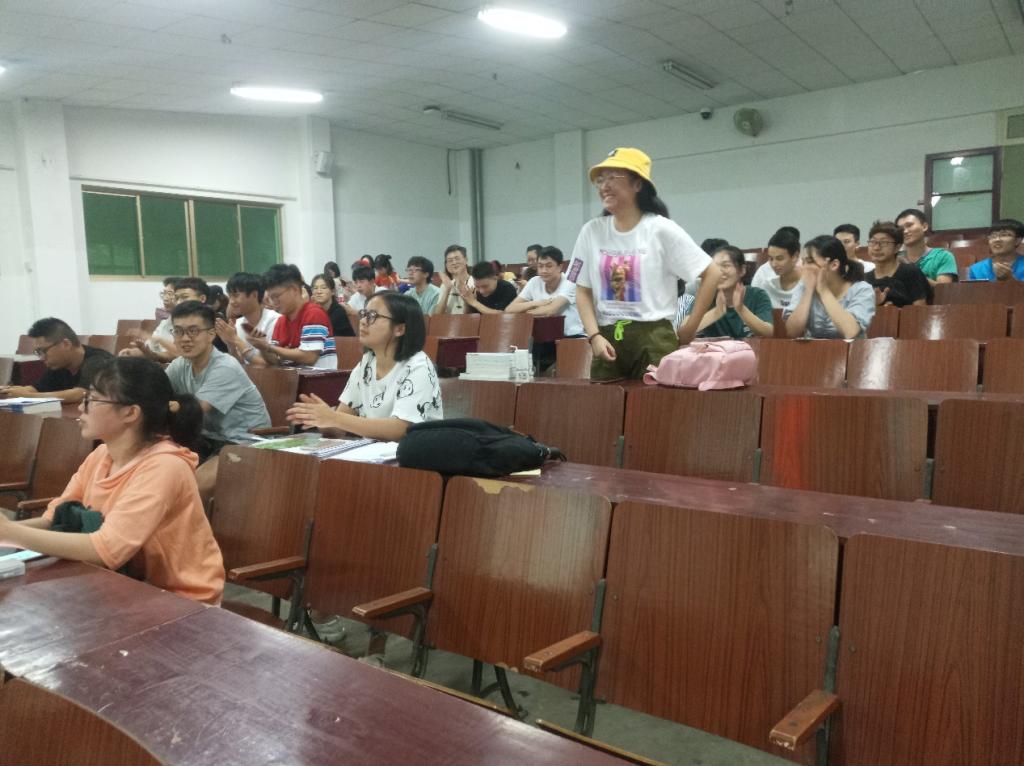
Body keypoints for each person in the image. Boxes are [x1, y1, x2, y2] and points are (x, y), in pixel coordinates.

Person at [0, 356, 225, 605]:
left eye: (92, 400)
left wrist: (11, 532)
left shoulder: (165, 466)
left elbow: (107, 549)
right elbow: (54, 519)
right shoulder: (102, 455)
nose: (81, 407)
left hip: (183, 599)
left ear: (130, 412)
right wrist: (7, 532)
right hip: (124, 585)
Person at [567, 147, 719, 380]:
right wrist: (594, 336)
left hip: (654, 338)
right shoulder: (591, 231)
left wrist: (690, 327)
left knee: (654, 403)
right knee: (604, 402)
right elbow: (582, 290)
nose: (604, 185)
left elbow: (712, 273)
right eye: (600, 180)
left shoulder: (660, 229)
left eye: (612, 177)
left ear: (637, 184)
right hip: (606, 337)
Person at [286, 292, 442, 441]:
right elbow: (338, 429)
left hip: (414, 456)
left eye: (373, 316)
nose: (363, 321)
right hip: (375, 454)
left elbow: (400, 429)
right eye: (363, 314)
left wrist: (334, 418)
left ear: (399, 329)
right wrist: (320, 418)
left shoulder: (418, 366)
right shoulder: (367, 363)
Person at [165, 301, 270, 502]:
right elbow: (156, 392)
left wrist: (160, 405)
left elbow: (195, 409)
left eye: (193, 331)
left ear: (211, 334)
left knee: (196, 485)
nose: (185, 338)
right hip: (206, 440)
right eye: (178, 331)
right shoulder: (179, 365)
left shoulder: (225, 367)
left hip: (245, 442)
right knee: (157, 473)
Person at [507, 246, 584, 370]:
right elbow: (510, 309)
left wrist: (525, 311)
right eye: (540, 266)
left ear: (560, 266)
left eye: (549, 266)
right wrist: (537, 303)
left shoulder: (570, 283)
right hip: (544, 339)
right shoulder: (534, 282)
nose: (544, 270)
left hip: (572, 337)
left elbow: (550, 311)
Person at [1, 318, 112, 402]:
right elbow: (37, 389)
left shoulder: (98, 360)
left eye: (43, 351)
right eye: (38, 353)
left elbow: (81, 394)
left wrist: (29, 397)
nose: (42, 358)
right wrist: (8, 391)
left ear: (65, 344)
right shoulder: (59, 364)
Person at [784, 235, 875, 339]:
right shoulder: (804, 286)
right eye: (803, 262)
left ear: (834, 265)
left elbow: (850, 332)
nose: (804, 268)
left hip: (852, 349)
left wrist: (823, 291)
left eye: (810, 262)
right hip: (813, 349)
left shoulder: (862, 289)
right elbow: (792, 332)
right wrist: (808, 291)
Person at [248, 264, 337, 369]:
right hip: (291, 377)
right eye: (271, 298)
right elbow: (275, 361)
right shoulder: (280, 321)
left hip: (319, 378)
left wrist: (269, 347)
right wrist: (262, 347)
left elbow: (309, 357)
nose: (273, 302)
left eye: (276, 296)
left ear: (294, 289)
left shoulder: (314, 314)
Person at [686, 245, 773, 338]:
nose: (719, 272)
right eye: (714, 267)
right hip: (715, 347)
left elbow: (769, 332)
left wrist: (741, 309)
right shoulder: (705, 295)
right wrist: (716, 312)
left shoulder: (757, 295)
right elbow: (684, 330)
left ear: (742, 270)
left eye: (725, 265)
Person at [215, 272, 280, 366]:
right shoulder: (238, 323)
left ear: (254, 295)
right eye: (230, 296)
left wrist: (235, 339)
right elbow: (239, 364)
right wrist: (230, 344)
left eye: (236, 295)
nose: (231, 302)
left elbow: (270, 365)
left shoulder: (275, 321)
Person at [864, 220, 930, 306]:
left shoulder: (911, 272)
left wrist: (894, 311)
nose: (876, 248)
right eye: (873, 242)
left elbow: (919, 310)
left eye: (884, 243)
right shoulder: (864, 279)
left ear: (897, 247)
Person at [121, 278, 179, 361]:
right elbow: (150, 349)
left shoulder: (186, 324)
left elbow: (177, 354)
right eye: (164, 294)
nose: (165, 298)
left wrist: (158, 340)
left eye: (170, 294)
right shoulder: (164, 323)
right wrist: (131, 352)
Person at [896, 209, 957, 285]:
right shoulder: (894, 258)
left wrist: (913, 272)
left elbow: (942, 289)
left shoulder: (942, 256)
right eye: (900, 229)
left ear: (924, 226)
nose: (905, 231)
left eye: (909, 225)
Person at [751, 230, 803, 309]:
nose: (774, 264)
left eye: (779, 258)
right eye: (771, 258)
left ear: (795, 256)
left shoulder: (808, 283)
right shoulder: (766, 281)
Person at [434, 245, 474, 315]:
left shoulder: (475, 282)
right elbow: (437, 315)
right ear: (446, 265)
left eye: (457, 259)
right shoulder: (445, 284)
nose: (454, 263)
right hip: (448, 321)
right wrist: (447, 290)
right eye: (450, 260)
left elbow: (473, 313)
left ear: (466, 260)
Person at [311, 273, 353, 337]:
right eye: (315, 288)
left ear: (333, 291)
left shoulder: (338, 312)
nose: (319, 292)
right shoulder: (314, 311)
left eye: (324, 288)